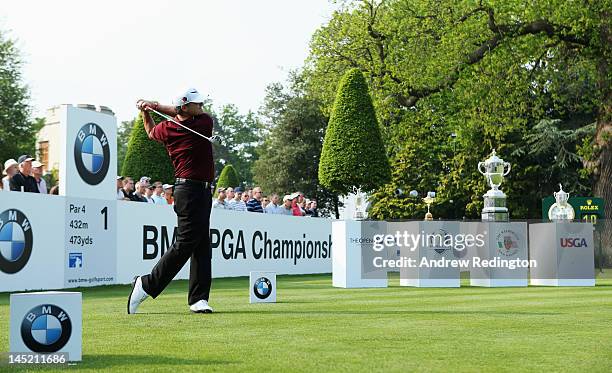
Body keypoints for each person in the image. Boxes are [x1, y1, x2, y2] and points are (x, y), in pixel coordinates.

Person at [129, 88, 215, 314]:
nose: (202, 107)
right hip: (187, 190)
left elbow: (150, 131)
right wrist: (150, 108)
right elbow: (153, 130)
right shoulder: (199, 123)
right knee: (186, 242)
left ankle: (198, 299)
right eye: (198, 104)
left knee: (202, 244)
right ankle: (146, 283)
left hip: (203, 191)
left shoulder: (190, 123)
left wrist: (149, 109)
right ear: (186, 107)